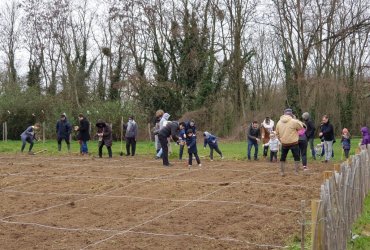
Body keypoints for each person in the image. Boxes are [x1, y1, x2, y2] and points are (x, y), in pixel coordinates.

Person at [275, 108, 304, 176]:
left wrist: (281, 140)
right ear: (291, 114)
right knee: (296, 157)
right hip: (294, 143)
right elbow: (301, 127)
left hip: (284, 143)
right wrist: (296, 119)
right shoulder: (294, 121)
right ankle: (296, 172)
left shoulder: (279, 122)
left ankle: (282, 172)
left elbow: (277, 133)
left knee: (283, 157)